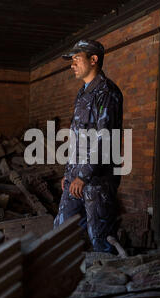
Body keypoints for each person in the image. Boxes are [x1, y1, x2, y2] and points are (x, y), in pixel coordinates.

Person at [53, 39, 124, 253]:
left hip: (96, 181)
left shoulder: (107, 92)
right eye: (71, 60)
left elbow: (104, 139)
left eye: (76, 59)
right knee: (61, 230)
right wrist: (69, 172)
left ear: (94, 60)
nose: (72, 64)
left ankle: (109, 279)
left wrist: (83, 176)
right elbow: (77, 139)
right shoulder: (83, 93)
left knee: (99, 236)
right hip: (76, 178)